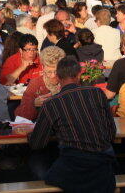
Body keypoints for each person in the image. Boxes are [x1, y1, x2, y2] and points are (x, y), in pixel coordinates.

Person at [28, 56, 116, 192]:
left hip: (73, 168)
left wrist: (30, 134)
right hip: (102, 168)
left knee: (37, 162)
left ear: (57, 77)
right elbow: (111, 133)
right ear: (79, 74)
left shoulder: (52, 103)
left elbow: (37, 143)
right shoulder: (97, 93)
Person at [14, 46, 65, 121]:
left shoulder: (67, 81)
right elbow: (20, 116)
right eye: (49, 72)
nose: (53, 75)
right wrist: (34, 104)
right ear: (43, 67)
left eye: (56, 71)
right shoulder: (36, 84)